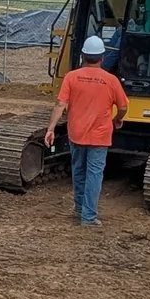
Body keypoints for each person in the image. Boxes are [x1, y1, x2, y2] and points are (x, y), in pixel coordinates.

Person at [44, 34, 125, 225]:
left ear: (83, 55)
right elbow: (122, 107)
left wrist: (51, 128)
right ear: (102, 57)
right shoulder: (111, 80)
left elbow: (60, 105)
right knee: (94, 174)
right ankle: (88, 217)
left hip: (76, 134)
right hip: (100, 136)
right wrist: (118, 120)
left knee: (79, 171)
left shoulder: (72, 77)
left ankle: (79, 208)